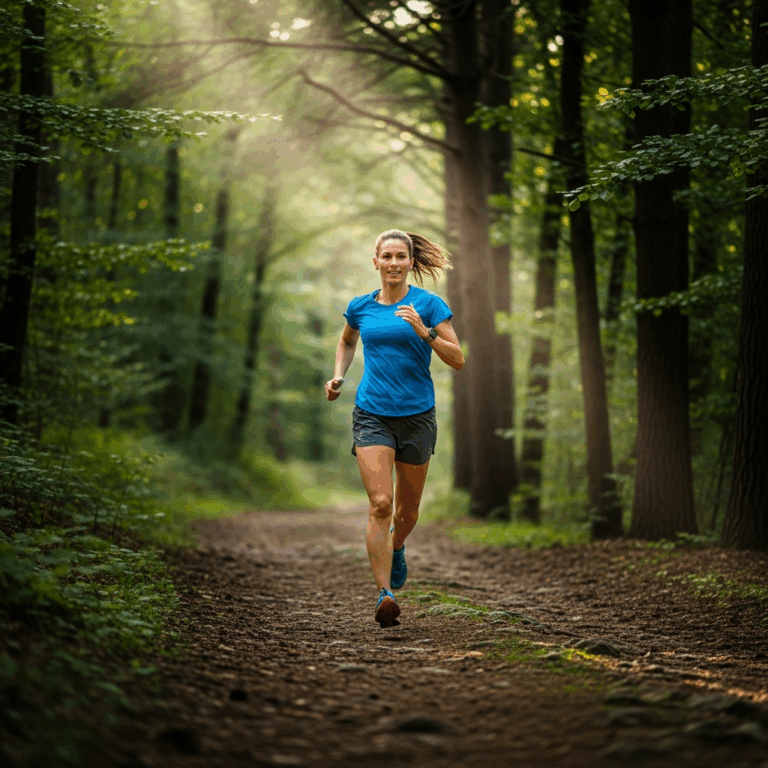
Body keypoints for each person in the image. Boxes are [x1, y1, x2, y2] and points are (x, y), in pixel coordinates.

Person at [325, 229, 464, 627]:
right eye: (386, 256)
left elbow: (458, 359)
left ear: (410, 261)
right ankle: (384, 593)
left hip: (418, 414)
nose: (393, 263)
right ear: (376, 262)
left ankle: (398, 545)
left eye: (400, 256)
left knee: (406, 510)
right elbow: (346, 341)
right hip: (372, 413)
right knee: (381, 504)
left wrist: (426, 331)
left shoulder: (430, 304)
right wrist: (338, 377)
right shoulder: (360, 307)